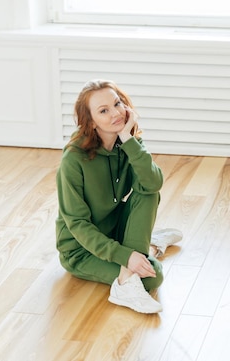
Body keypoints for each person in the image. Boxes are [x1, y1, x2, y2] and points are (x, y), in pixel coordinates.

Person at [55, 79, 182, 314]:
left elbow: (153, 184)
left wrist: (128, 138)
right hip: (81, 250)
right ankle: (145, 254)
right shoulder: (73, 161)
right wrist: (125, 256)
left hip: (114, 230)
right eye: (104, 111)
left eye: (117, 104)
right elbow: (78, 224)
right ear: (91, 122)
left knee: (147, 192)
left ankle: (145, 249)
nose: (115, 113)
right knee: (153, 277)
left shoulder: (127, 143)